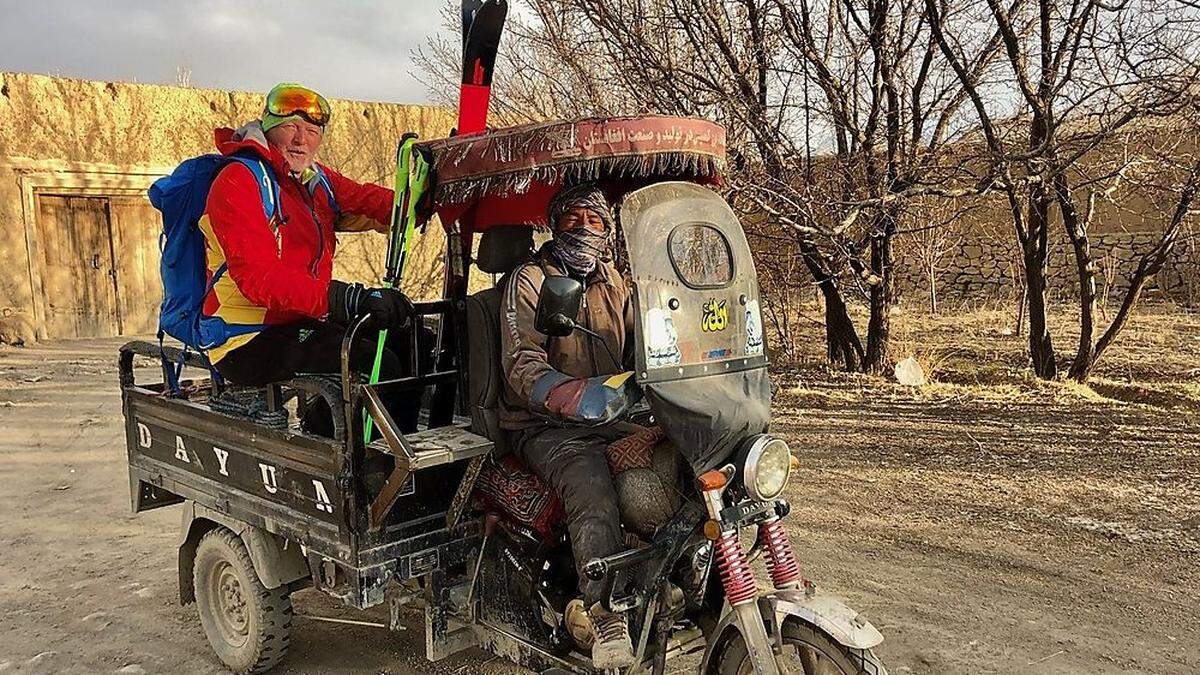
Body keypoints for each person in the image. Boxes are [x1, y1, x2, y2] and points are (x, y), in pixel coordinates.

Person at [196, 83, 417, 388]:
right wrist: (344, 298)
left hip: (300, 318)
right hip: (244, 337)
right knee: (379, 364)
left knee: (412, 341)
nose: (301, 139)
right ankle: (349, 434)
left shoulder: (314, 179)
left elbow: (370, 200)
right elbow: (259, 279)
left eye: (312, 131)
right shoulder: (238, 181)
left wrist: (425, 194)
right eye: (290, 127)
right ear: (268, 128)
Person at [499, 183, 637, 669]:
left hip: (612, 412)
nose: (584, 228)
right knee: (591, 485)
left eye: (594, 219)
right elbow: (521, 366)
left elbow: (645, 342)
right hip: (543, 423)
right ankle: (606, 613)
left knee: (682, 462)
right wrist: (573, 395)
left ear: (608, 228)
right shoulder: (532, 281)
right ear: (554, 224)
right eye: (572, 218)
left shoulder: (615, 281)